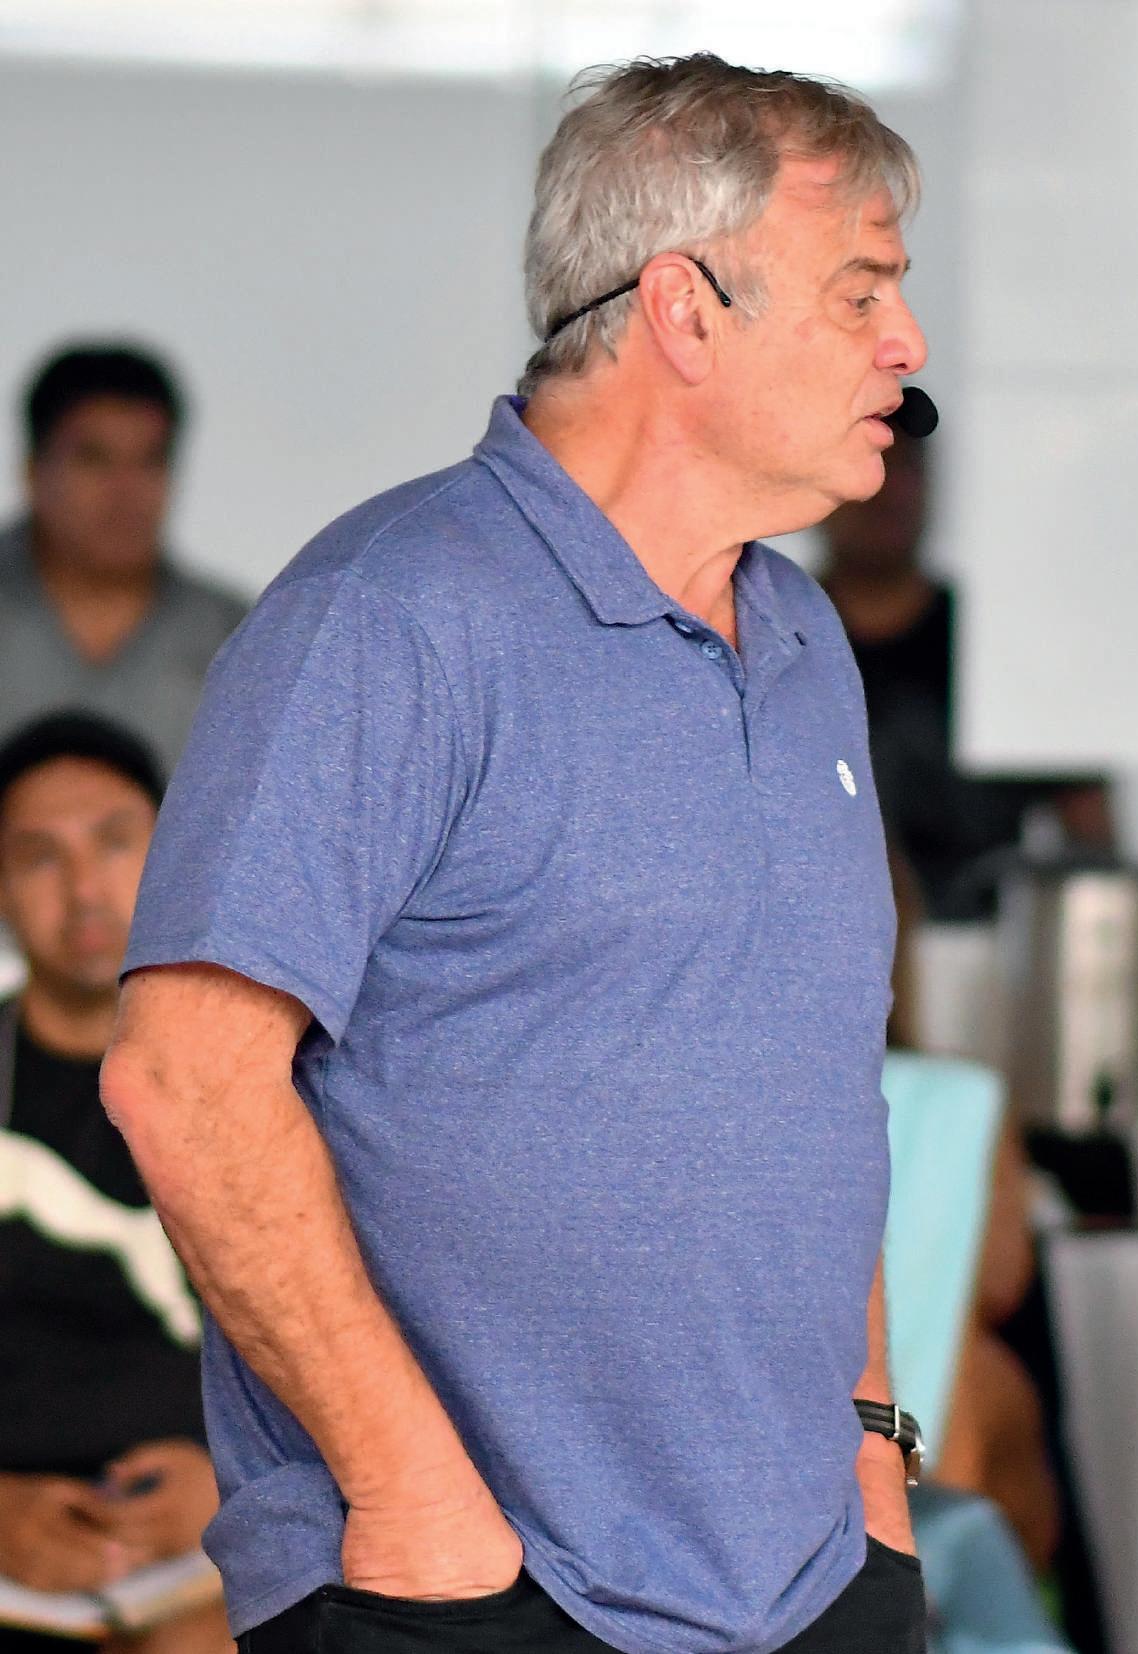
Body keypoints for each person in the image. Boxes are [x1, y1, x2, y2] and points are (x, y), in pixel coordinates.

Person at [103, 55, 929, 1654]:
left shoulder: (802, 635)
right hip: (478, 1588)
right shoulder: (387, 615)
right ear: (684, 309)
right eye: (859, 291)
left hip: (816, 1578)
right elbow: (185, 1080)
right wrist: (408, 1491)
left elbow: (812, 1086)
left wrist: (867, 1453)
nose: (903, 344)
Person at [0, 713, 230, 1654]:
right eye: (38, 856)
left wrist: (242, 1485)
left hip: (217, 1536)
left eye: (114, 841)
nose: (84, 888)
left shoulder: (267, 1073)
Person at [817, 433, 1113, 919]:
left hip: (983, 942)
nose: (888, 492)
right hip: (819, 942)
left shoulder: (1002, 646)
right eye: (869, 468)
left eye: (905, 470)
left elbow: (1092, 840)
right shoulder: (773, 640)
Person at [0, 346, 248, 773]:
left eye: (150, 460)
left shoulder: (234, 637)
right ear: (33, 471)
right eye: (94, 459)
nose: (126, 492)